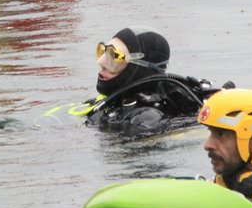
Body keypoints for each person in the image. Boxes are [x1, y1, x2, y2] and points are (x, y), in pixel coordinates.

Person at [85, 28, 220, 134]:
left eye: (114, 59)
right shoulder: (113, 102)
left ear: (138, 68)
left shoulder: (146, 117)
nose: (102, 64)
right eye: (103, 53)